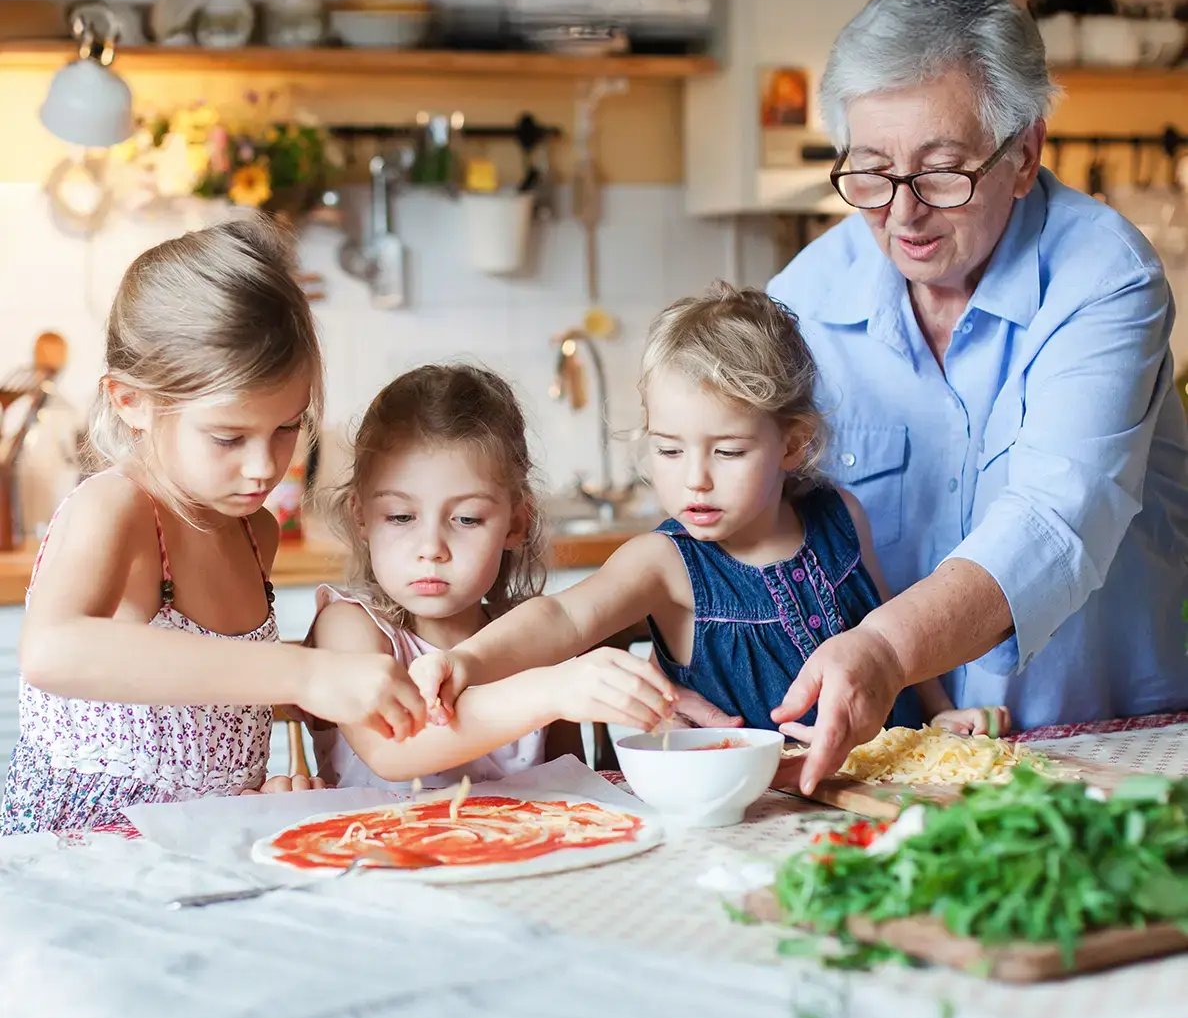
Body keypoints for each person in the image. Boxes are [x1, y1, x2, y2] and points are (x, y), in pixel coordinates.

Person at [766, 0, 1188, 792]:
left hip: (1104, 748)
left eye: (942, 173)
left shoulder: (1105, 278)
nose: (903, 214)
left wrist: (886, 648)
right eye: (872, 172)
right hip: (893, 762)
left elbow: (1052, 521)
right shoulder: (804, 300)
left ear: (1024, 154)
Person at [408, 284, 1003, 741]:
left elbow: (890, 625)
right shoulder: (662, 563)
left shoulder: (839, 515)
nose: (695, 477)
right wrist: (467, 660)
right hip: (760, 814)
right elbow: (561, 619)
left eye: (728, 451)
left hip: (893, 781)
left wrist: (943, 714)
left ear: (792, 444)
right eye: (669, 449)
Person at [1, 218, 426, 834]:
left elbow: (203, 687)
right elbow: (53, 649)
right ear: (131, 401)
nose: (264, 468)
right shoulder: (118, 507)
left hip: (202, 843)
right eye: (228, 437)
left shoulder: (256, 533)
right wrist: (305, 674)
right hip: (87, 852)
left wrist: (316, 701)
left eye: (286, 427)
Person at [307, 364, 676, 788]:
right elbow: (391, 750)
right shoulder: (349, 627)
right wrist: (554, 691)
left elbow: (571, 789)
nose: (431, 548)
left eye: (466, 519)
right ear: (361, 516)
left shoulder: (534, 644)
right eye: (401, 516)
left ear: (516, 523)